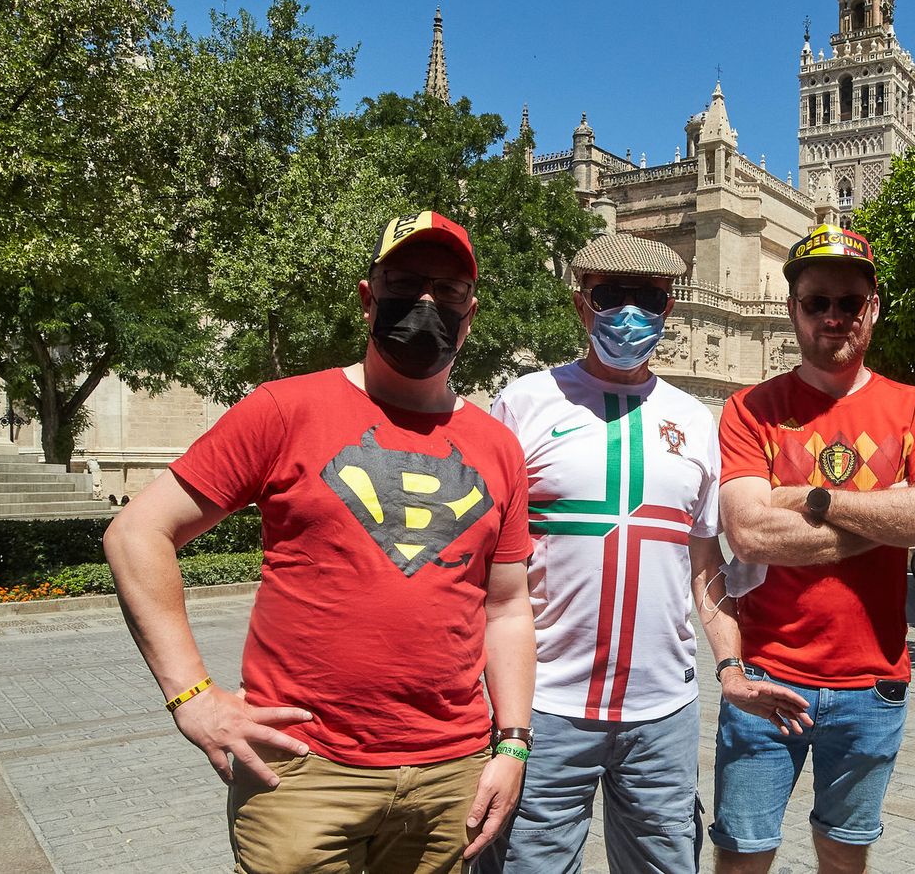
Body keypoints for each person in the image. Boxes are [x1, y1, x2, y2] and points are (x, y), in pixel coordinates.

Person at [104, 211, 536, 873]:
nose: (426, 303)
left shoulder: (499, 447)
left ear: (470, 315)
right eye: (405, 283)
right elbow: (137, 532)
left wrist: (512, 744)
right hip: (304, 772)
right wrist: (192, 696)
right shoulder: (284, 410)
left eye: (448, 291)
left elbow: (506, 608)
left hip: (451, 775)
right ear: (368, 298)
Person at [479, 233, 807, 874]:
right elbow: (491, 561)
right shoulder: (523, 403)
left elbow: (704, 562)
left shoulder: (695, 419)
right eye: (611, 296)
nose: (630, 313)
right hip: (544, 708)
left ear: (669, 310)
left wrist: (730, 667)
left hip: (662, 715)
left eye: (649, 299)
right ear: (581, 303)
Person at [712, 223, 915, 874]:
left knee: (845, 858)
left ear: (872, 308)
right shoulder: (750, 409)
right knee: (741, 857)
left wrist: (812, 499)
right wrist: (890, 514)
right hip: (766, 677)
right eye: (816, 301)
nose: (833, 316)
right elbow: (750, 532)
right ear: (793, 308)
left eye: (849, 302)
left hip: (872, 685)